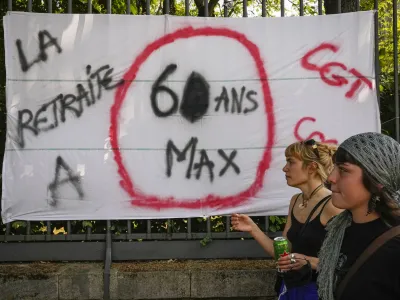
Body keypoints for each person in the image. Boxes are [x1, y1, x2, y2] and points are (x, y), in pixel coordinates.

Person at [231, 139, 342, 300]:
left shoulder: (333, 204)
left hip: (319, 292)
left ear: (311, 167)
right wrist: (253, 229)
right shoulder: (296, 201)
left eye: (291, 162)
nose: (285, 168)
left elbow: (346, 262)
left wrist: (307, 261)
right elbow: (283, 254)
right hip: (292, 289)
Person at [317, 132, 400, 300]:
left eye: (343, 170)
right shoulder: (337, 229)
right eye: (334, 168)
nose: (331, 177)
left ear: (377, 178)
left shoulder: (395, 243)